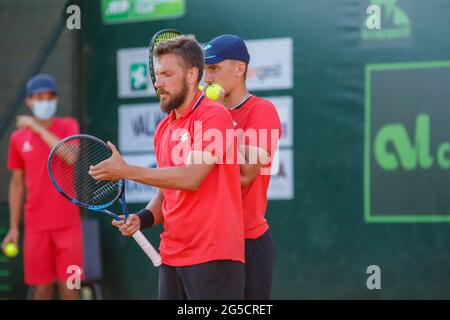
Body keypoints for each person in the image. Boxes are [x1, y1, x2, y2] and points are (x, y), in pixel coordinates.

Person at [88, 35, 245, 300]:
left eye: (167, 74)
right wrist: (143, 217)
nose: (158, 83)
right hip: (171, 258)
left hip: (213, 257)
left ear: (192, 75)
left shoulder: (214, 116)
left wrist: (126, 170)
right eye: (157, 74)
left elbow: (190, 178)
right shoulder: (164, 128)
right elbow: (166, 192)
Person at [203, 34, 282, 300]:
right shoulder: (203, 114)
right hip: (207, 241)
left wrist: (217, 119)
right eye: (204, 69)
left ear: (240, 69)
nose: (207, 78)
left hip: (248, 241)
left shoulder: (262, 110)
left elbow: (246, 174)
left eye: (214, 68)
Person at [2, 74, 83, 300]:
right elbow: (16, 184)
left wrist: (38, 129)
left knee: (71, 288)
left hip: (69, 226)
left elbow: (70, 156)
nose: (45, 102)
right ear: (29, 101)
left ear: (56, 99)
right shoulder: (18, 137)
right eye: (39, 97)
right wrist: (14, 227)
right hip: (35, 227)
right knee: (42, 289)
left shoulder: (69, 125)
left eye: (50, 97)